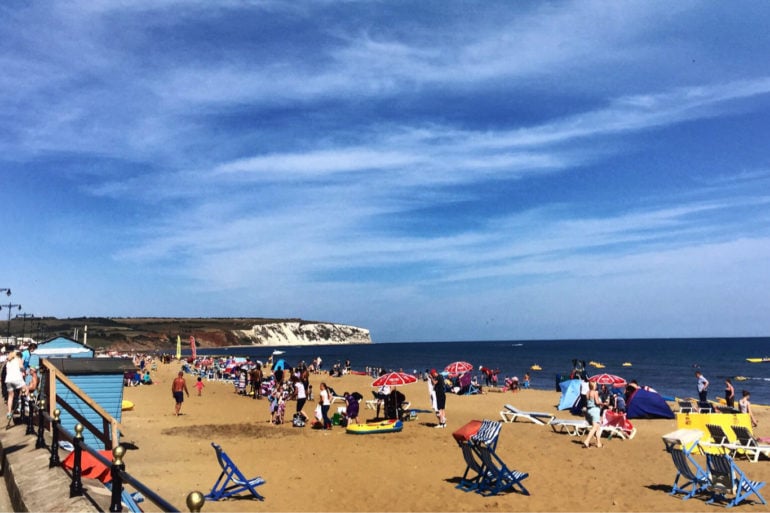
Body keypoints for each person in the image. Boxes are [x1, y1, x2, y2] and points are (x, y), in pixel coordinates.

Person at [4, 350, 27, 420]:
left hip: (8, 380)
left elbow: (8, 371)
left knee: (10, 396)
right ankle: (20, 403)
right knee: (26, 389)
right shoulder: (18, 359)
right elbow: (22, 367)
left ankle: (9, 413)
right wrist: (24, 371)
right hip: (17, 379)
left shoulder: (8, 362)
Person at [583, 381, 603, 449]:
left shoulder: (587, 393)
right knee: (594, 427)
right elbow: (597, 402)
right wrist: (603, 403)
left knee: (598, 427)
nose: (596, 385)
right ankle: (587, 441)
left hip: (589, 410)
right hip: (595, 410)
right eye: (596, 384)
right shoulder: (595, 392)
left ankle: (599, 443)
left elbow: (588, 402)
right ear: (594, 386)